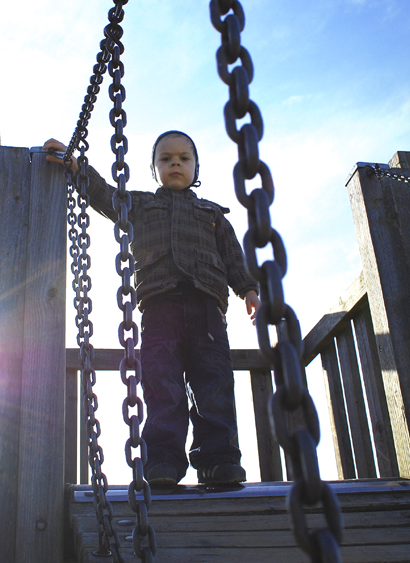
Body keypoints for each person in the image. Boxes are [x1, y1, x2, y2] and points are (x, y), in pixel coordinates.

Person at [44, 131, 259, 488]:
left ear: (196, 168)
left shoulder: (214, 216)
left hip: (207, 309)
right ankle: (163, 459)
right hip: (160, 307)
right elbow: (103, 195)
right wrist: (76, 165)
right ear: (155, 169)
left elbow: (234, 259)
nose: (175, 163)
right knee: (162, 383)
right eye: (166, 158)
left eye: (184, 158)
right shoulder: (141, 205)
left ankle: (218, 459)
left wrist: (248, 290)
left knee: (214, 383)